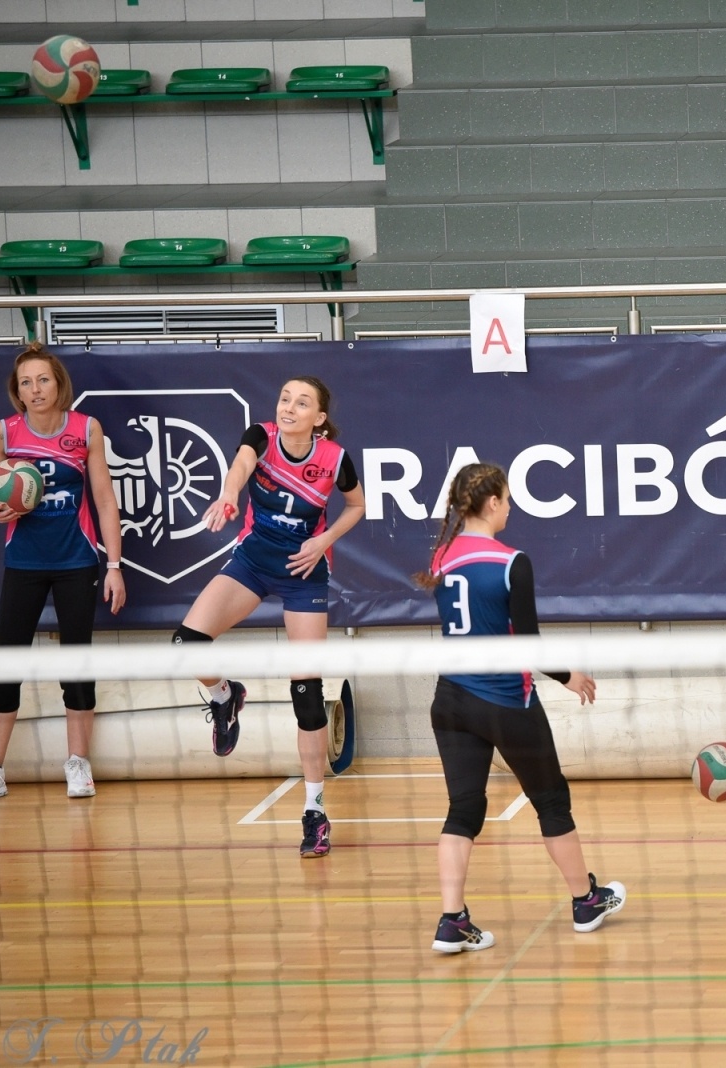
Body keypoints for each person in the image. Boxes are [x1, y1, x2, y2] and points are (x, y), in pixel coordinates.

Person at [417, 463, 625, 954]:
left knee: (463, 809)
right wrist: (569, 675)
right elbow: (526, 645)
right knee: (551, 801)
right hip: (506, 700)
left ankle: (452, 920)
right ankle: (585, 901)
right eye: (507, 499)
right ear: (491, 503)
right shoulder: (513, 562)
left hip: (449, 701)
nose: (510, 507)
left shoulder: (442, 556)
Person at [172, 376, 367, 855]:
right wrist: (229, 494)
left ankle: (315, 811)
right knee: (186, 646)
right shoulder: (260, 437)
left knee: (306, 690)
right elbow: (240, 466)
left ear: (319, 418)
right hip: (254, 562)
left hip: (304, 570)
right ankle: (225, 695)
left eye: (302, 403)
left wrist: (323, 540)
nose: (289, 408)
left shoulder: (335, 459)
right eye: (285, 399)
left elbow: (357, 506)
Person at [0, 343, 126, 804]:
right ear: (17, 391)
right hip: (24, 564)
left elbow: (105, 500)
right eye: (25, 383)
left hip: (77, 563)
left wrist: (113, 565)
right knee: (5, 666)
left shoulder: (86, 429)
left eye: (43, 380)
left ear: (59, 384)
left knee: (77, 665)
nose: (35, 389)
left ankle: (78, 765)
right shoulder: (6, 433)